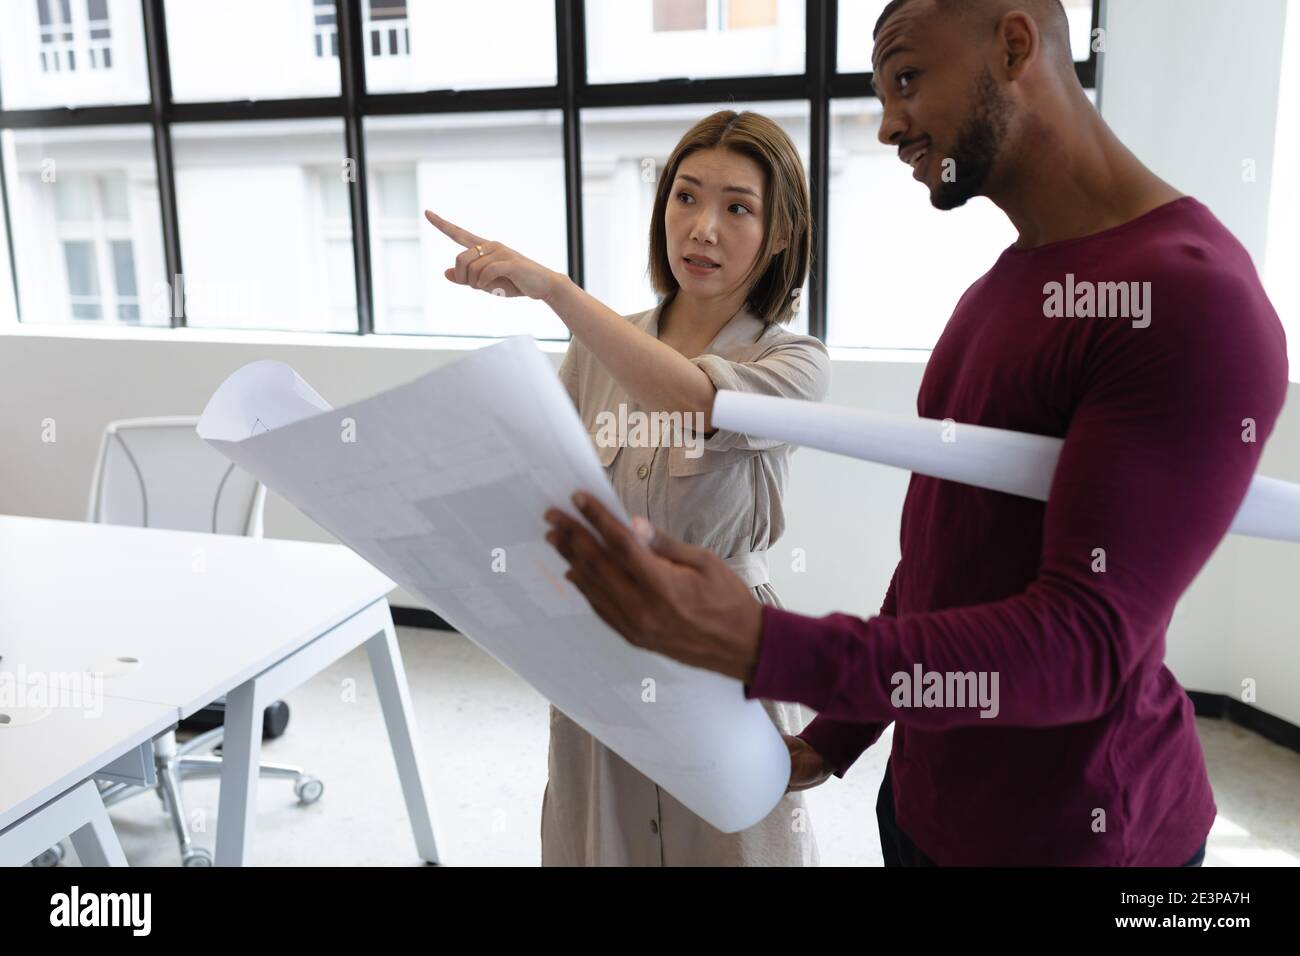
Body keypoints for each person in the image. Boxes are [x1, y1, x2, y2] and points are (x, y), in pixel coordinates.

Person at [541, 0, 1288, 866]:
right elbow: (943, 559)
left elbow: (1086, 645)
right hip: (922, 811)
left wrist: (762, 644)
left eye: (906, 80)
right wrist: (839, 736)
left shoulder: (1193, 301)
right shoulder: (997, 292)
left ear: (1014, 45)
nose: (890, 124)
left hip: (1085, 839)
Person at [426, 108, 829, 865]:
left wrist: (555, 291)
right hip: (601, 648)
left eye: (737, 206)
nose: (703, 227)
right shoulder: (595, 351)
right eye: (686, 196)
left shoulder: (795, 361)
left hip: (725, 649)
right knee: (602, 842)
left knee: (735, 845)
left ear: (779, 234)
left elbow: (698, 403)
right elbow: (543, 487)